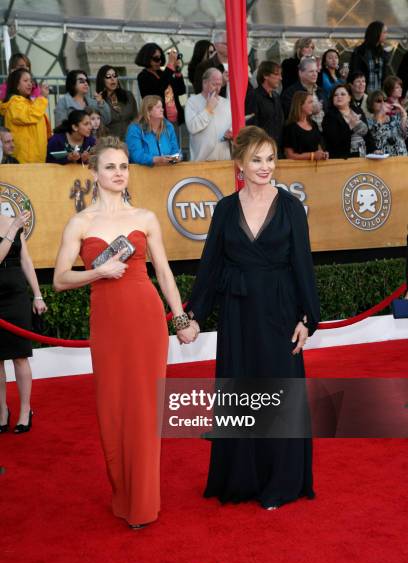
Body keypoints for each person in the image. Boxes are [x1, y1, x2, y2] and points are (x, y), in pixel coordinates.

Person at [53, 136, 198, 529]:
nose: (118, 173)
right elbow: (60, 279)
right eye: (110, 167)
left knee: (145, 409)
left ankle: (144, 504)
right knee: (112, 408)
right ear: (95, 173)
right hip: (108, 320)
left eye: (123, 167)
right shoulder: (81, 223)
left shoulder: (146, 218)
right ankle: (123, 492)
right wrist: (97, 272)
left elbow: (164, 273)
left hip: (146, 317)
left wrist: (180, 320)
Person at [186, 125, 320, 509]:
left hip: (279, 311)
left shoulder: (291, 207)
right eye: (257, 159)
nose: (266, 166)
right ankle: (241, 480)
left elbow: (302, 267)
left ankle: (282, 482)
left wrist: (306, 318)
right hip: (238, 312)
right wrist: (194, 315)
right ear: (239, 164)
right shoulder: (226, 208)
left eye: (271, 158)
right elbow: (210, 265)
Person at [0, 210, 47, 435]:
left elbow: (26, 261)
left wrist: (37, 294)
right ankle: (2, 412)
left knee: (20, 356)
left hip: (17, 296)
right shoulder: (14, 225)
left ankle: (25, 411)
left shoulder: (13, 223)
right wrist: (12, 229)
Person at [0, 68, 51, 163]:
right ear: (16, 85)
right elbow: (29, 116)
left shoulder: (32, 103)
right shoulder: (14, 103)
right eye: (25, 81)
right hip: (23, 161)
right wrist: (42, 97)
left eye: (31, 81)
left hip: (38, 159)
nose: (30, 84)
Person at [185, 68, 232, 161]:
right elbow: (192, 127)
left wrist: (231, 133)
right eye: (214, 84)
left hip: (224, 161)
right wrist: (208, 109)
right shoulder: (192, 101)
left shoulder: (226, 103)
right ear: (205, 83)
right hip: (201, 162)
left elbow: (232, 127)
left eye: (219, 84)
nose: (217, 88)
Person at [135, 43, 186, 125]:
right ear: (147, 58)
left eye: (161, 58)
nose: (159, 61)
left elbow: (181, 90)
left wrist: (177, 72)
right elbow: (159, 90)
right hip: (157, 121)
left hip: (174, 120)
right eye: (156, 59)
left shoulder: (163, 74)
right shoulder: (143, 76)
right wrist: (170, 66)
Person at [322, 84, 374, 158]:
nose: (339, 96)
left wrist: (374, 150)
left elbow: (367, 134)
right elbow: (334, 141)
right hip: (343, 158)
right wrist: (350, 126)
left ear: (349, 98)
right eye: (335, 95)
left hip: (363, 155)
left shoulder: (358, 111)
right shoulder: (329, 116)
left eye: (342, 94)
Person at [125, 95, 181, 166]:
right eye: (158, 107)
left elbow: (176, 151)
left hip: (168, 172)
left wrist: (176, 158)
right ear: (148, 111)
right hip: (142, 174)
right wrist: (156, 159)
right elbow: (136, 155)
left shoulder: (169, 127)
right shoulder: (135, 129)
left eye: (162, 107)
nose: (162, 109)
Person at [281, 57, 325, 129]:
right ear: (300, 73)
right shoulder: (290, 92)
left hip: (322, 134)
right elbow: (289, 115)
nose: (315, 74)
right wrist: (311, 111)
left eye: (316, 71)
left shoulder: (320, 91)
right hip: (302, 134)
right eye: (311, 71)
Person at [95, 65, 137, 140]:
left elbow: (136, 118)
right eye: (108, 76)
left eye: (115, 76)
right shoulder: (98, 100)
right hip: (111, 143)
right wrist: (100, 104)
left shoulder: (128, 95)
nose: (112, 79)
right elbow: (99, 125)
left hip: (131, 139)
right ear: (102, 80)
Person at [283, 91, 329, 161]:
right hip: (298, 169)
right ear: (300, 104)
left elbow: (318, 148)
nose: (313, 105)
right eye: (310, 102)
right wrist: (312, 155)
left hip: (315, 169)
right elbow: (289, 155)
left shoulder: (314, 124)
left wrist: (323, 154)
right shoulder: (290, 127)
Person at [251, 61, 284, 153]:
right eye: (276, 74)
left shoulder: (276, 96)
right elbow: (253, 125)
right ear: (265, 75)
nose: (280, 78)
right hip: (260, 149)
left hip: (277, 148)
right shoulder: (254, 96)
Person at [349, 21, 390, 92]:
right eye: (384, 32)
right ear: (376, 33)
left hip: (379, 94)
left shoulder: (383, 53)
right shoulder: (360, 52)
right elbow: (354, 73)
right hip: (364, 93)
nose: (386, 35)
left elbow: (385, 75)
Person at [366, 90, 407, 156]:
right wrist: (380, 115)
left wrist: (404, 115)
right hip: (382, 159)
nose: (383, 103)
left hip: (401, 156)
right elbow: (376, 139)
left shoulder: (395, 118)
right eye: (379, 101)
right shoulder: (369, 122)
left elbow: (405, 134)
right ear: (371, 104)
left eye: (384, 100)